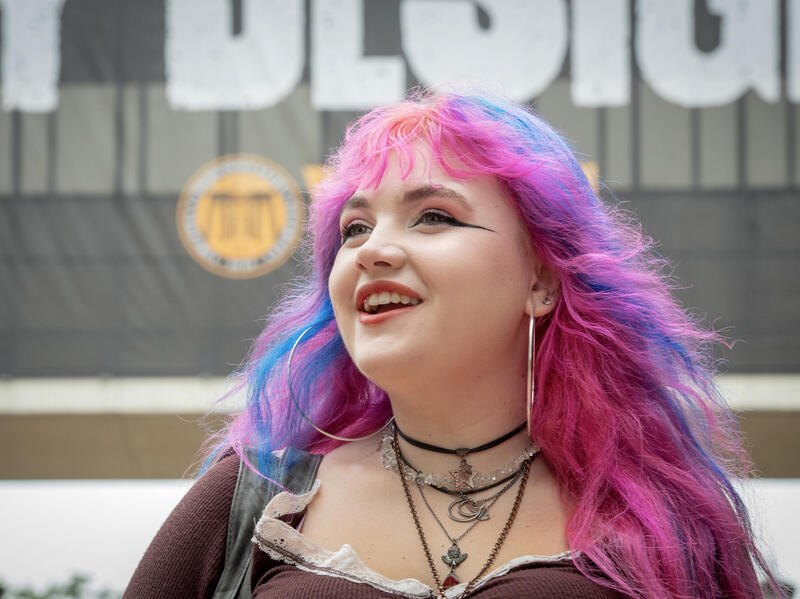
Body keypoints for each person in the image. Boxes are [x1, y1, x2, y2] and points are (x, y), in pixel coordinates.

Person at [125, 91, 780, 598]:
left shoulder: (662, 515)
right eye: (354, 228)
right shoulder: (255, 495)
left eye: (433, 215)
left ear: (542, 279)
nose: (372, 249)